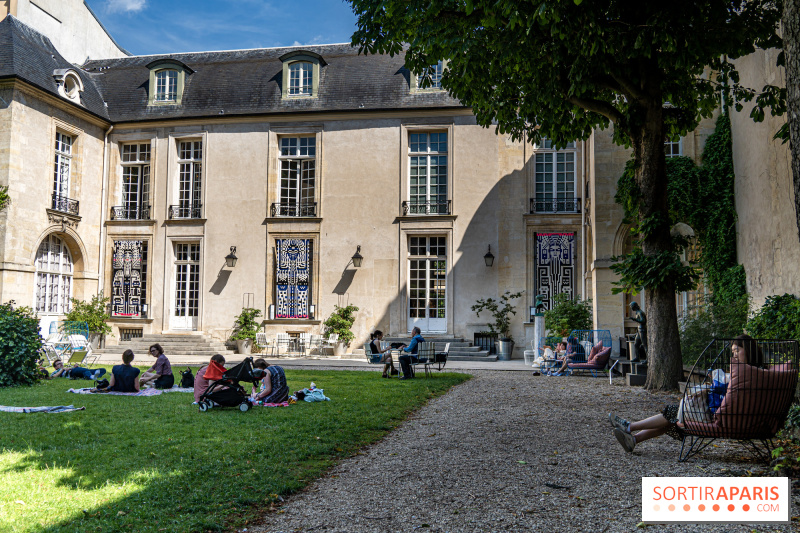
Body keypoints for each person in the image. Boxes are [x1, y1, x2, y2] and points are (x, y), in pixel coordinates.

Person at [609, 334, 763, 453]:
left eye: (737, 350)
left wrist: (717, 384)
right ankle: (634, 440)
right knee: (674, 415)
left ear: (748, 350)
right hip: (727, 414)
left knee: (674, 412)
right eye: (733, 351)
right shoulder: (753, 372)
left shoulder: (747, 373)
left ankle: (630, 427)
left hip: (724, 417)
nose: (734, 355)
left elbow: (731, 395)